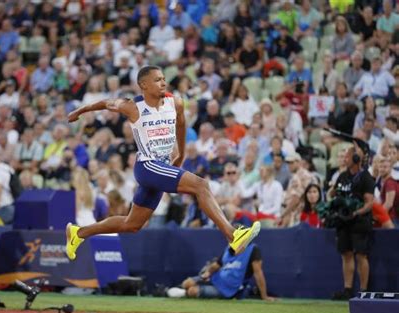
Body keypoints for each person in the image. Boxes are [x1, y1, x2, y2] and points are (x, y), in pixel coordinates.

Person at [66, 66, 260, 260]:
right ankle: (233, 234)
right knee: (201, 185)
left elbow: (181, 125)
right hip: (147, 166)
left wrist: (182, 153)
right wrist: (80, 110)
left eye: (164, 79)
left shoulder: (175, 103)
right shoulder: (132, 106)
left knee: (131, 225)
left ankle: (79, 233)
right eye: (158, 79)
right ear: (143, 84)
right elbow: (106, 103)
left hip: (161, 167)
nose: (164, 83)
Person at [331, 144, 374, 300]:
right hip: (343, 221)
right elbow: (333, 193)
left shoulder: (366, 177)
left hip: (359, 221)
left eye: (347, 157)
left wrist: (356, 212)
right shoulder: (342, 176)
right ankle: (347, 289)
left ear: (356, 159)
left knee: (361, 255)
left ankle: (363, 291)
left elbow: (369, 202)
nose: (344, 159)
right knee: (346, 254)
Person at [167, 244, 275, 301]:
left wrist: (264, 296)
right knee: (187, 283)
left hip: (229, 289)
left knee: (192, 291)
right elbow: (217, 265)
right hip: (216, 278)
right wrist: (208, 273)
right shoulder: (229, 248)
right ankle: (172, 291)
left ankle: (181, 293)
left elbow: (258, 274)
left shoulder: (253, 250)